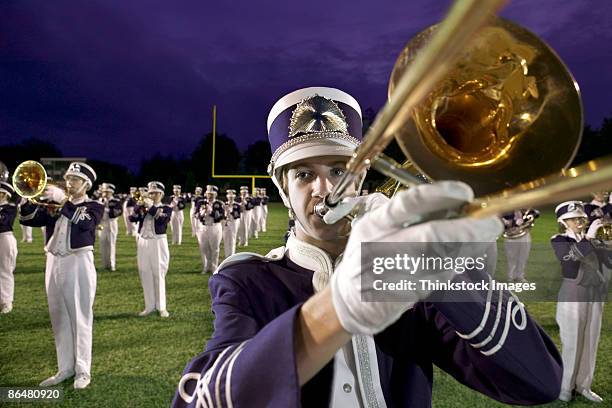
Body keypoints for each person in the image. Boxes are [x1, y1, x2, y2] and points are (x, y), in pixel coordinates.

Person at [173, 87, 562, 407]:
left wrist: (437, 263)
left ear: (360, 177)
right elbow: (201, 398)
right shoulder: (248, 279)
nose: (325, 190)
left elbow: (538, 382)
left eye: (340, 171)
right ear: (282, 189)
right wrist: (339, 307)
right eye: (305, 174)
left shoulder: (404, 277)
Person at [20, 162, 103, 389]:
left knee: (80, 317)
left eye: (75, 179)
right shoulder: (54, 203)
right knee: (59, 316)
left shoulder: (94, 205)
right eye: (68, 179)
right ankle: (65, 368)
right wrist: (27, 199)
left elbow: (87, 224)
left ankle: (83, 370)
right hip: (53, 260)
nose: (69, 183)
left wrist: (63, 202)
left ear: (86, 184)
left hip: (78, 262)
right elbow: (29, 220)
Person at [550, 201, 611, 403]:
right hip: (572, 294)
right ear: (564, 222)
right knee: (572, 342)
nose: (580, 221)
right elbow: (569, 259)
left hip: (595, 294)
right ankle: (565, 388)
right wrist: (590, 237)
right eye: (575, 218)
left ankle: (584, 385)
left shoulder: (592, 239)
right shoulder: (558, 239)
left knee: (590, 340)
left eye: (581, 218)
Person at [129, 181, 172, 317]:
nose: (152, 195)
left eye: (155, 193)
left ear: (161, 194)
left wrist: (150, 206)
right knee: (144, 272)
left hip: (157, 242)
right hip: (143, 241)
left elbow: (162, 220)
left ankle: (161, 307)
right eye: (150, 192)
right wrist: (138, 207)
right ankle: (149, 306)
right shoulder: (144, 206)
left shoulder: (166, 208)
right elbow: (132, 219)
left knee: (158, 273)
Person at [502, 208, 539, 283]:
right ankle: (510, 276)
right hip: (511, 235)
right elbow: (503, 221)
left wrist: (531, 214)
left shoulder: (525, 210)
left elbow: (536, 213)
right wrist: (513, 222)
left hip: (524, 234)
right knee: (511, 257)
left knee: (523, 256)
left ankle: (520, 276)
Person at [196, 185, 224, 274]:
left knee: (214, 248)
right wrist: (202, 213)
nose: (210, 195)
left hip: (214, 226)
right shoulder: (201, 202)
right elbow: (196, 214)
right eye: (208, 193)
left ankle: (214, 267)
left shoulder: (219, 204)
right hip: (203, 227)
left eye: (212, 194)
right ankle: (207, 266)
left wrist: (211, 212)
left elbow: (221, 216)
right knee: (204, 248)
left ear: (215, 194)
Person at [0, 181, 18, 314]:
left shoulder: (10, 208)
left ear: (4, 195)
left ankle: (7, 302)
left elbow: (3, 221)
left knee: (5, 271)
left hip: (4, 239)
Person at [98, 183, 122, 271]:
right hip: (102, 224)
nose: (105, 193)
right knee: (102, 244)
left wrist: (106, 209)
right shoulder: (100, 200)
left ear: (111, 192)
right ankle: (105, 264)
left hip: (111, 223)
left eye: (107, 192)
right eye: (104, 191)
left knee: (111, 244)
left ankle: (112, 265)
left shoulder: (116, 201)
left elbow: (117, 212)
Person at [222, 189, 241, 258]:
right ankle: (227, 255)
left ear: (234, 197)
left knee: (232, 238)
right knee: (226, 238)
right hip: (225, 223)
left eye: (232, 197)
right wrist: (225, 213)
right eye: (229, 197)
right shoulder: (224, 204)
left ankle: (232, 254)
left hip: (234, 222)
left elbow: (237, 215)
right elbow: (221, 215)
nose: (230, 198)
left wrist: (230, 211)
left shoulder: (237, 205)